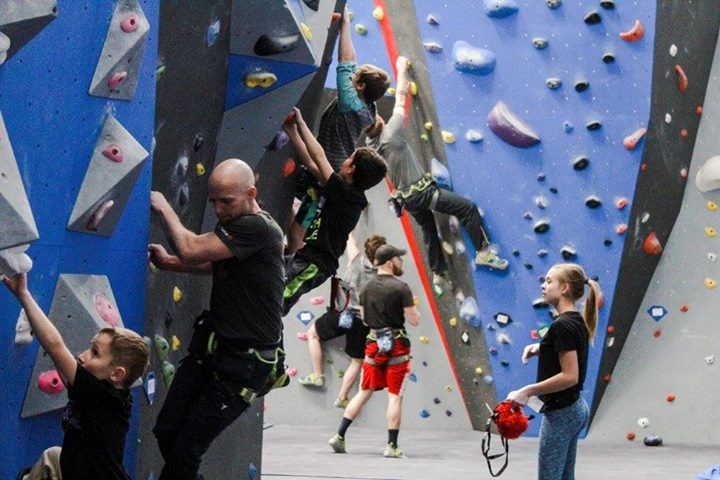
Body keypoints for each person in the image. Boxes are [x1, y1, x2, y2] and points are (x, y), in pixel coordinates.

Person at [148, 158, 285, 480]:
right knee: (167, 431)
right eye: (214, 202)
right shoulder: (241, 229)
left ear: (251, 192)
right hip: (214, 353)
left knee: (186, 451)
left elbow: (192, 249)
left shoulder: (257, 228)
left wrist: (164, 207)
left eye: (227, 201)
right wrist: (170, 265)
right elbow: (215, 263)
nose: (220, 209)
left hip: (243, 365)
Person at [365, 56, 509, 285]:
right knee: (467, 208)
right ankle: (484, 252)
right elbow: (401, 96)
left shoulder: (371, 145)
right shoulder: (391, 134)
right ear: (377, 121)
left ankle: (438, 272)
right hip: (421, 193)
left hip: (406, 199)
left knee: (428, 228)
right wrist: (402, 68)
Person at [2, 273, 149, 480]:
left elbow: (55, 348)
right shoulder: (103, 389)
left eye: (95, 353)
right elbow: (62, 363)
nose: (83, 355)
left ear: (116, 374)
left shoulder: (102, 397)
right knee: (52, 457)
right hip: (78, 469)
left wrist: (23, 295)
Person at [287, 6, 390, 254]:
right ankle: (292, 246)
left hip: (331, 163)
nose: (351, 78)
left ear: (361, 87)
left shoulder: (352, 105)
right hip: (333, 159)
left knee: (304, 216)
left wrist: (344, 26)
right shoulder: (368, 105)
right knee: (306, 204)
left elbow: (345, 64)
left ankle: (292, 253)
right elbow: (352, 65)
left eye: (356, 80)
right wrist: (344, 26)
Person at [282, 107, 387, 315]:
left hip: (315, 263)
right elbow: (312, 165)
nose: (345, 159)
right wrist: (291, 131)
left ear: (351, 169)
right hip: (308, 257)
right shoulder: (346, 192)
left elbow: (319, 156)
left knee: (278, 297)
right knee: (272, 279)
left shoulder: (347, 195)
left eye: (350, 158)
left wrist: (301, 122)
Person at [506, 263, 600, 480]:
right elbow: (567, 349)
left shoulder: (562, 325)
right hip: (574, 408)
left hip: (562, 413)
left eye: (549, 281)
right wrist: (542, 348)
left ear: (565, 288)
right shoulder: (574, 319)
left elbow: (570, 376)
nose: (543, 286)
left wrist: (527, 391)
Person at [328, 244, 420, 458]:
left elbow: (365, 317)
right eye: (399, 258)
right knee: (395, 397)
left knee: (364, 392)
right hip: (397, 346)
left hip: (373, 344)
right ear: (389, 261)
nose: (401, 262)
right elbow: (414, 320)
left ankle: (339, 436)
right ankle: (392, 446)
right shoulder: (401, 287)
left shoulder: (368, 288)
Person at [296, 234, 386, 409]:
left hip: (343, 313)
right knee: (357, 361)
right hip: (360, 322)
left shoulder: (355, 259)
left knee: (313, 335)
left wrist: (350, 230)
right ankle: (342, 397)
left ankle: (317, 375)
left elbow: (350, 241)